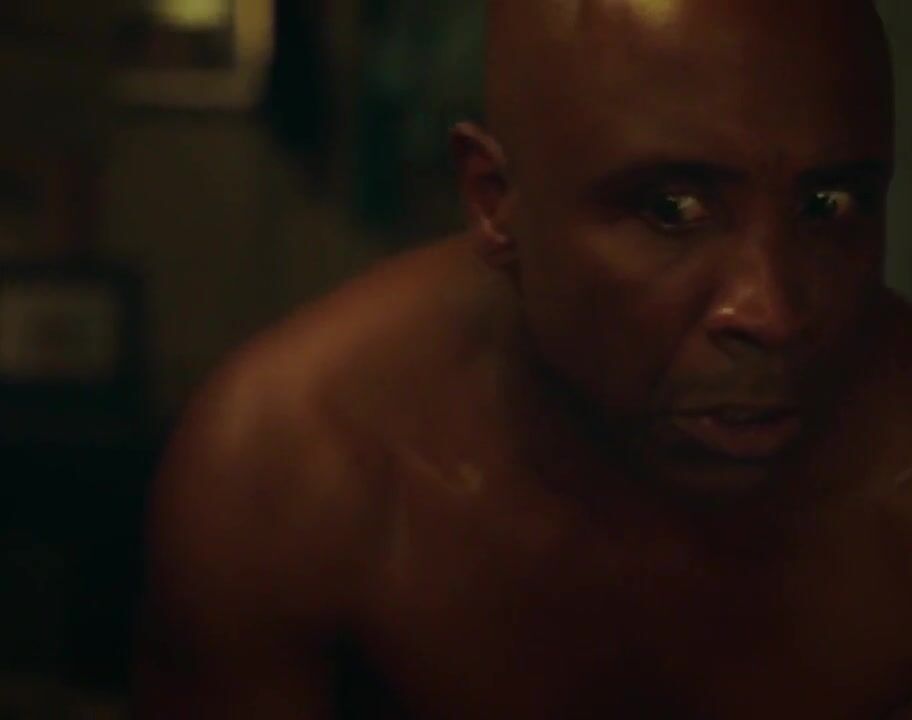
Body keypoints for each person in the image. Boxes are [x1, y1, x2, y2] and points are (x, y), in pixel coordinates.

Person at [133, 0, 912, 716]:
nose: (772, 312)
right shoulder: (292, 468)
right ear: (492, 199)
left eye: (828, 206)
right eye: (671, 209)